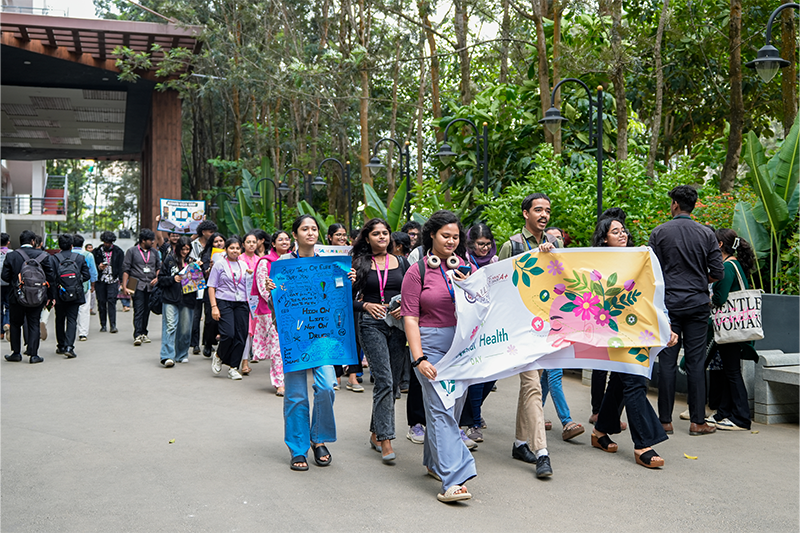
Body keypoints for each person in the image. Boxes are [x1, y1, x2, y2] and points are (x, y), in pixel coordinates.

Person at [401, 210, 477, 503]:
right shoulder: (416, 271)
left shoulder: (466, 269)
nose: (451, 241)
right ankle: (454, 479)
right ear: (431, 235)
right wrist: (419, 359)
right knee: (441, 410)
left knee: (453, 408)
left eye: (456, 237)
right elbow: (409, 317)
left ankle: (434, 463)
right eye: (446, 235)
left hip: (462, 348)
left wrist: (467, 285)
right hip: (430, 347)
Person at [590, 215, 674, 468]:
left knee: (620, 379)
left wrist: (665, 325)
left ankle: (600, 431)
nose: (622, 234)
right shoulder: (595, 264)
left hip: (638, 330)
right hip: (613, 331)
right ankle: (643, 443)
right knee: (634, 381)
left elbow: (652, 295)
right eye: (615, 232)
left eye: (623, 230)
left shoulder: (640, 259)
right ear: (604, 238)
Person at [650, 185, 724, 436]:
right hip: (697, 304)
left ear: (675, 204)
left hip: (669, 305)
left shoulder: (659, 232)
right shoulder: (706, 234)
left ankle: (664, 421)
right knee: (696, 363)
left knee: (667, 362)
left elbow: (652, 272)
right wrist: (699, 281)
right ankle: (697, 421)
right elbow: (718, 272)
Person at [269, 215, 340, 471]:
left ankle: (319, 438)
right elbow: (276, 303)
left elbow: (337, 296)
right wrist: (272, 290)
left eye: (313, 228)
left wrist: (347, 280)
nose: (310, 232)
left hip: (322, 336)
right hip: (295, 336)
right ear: (295, 234)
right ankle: (298, 448)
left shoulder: (331, 263)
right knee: (296, 394)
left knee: (327, 386)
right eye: (304, 229)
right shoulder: (282, 264)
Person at [498, 193, 558, 478]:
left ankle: (520, 443)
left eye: (547, 210)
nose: (543, 215)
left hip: (544, 325)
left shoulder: (554, 245)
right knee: (534, 383)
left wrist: (551, 258)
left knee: (531, 384)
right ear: (525, 214)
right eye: (538, 210)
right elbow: (498, 283)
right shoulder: (512, 244)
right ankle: (542, 453)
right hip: (520, 327)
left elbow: (560, 281)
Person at [351, 218, 409, 463]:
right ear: (367, 238)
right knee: (384, 379)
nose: (382, 237)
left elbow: (412, 293)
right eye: (376, 234)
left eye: (385, 233)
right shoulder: (359, 263)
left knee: (393, 383)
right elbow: (345, 298)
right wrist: (365, 304)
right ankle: (386, 439)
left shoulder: (403, 263)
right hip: (371, 324)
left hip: (398, 325)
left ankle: (375, 432)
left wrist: (404, 307)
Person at [708, 229, 755, 431]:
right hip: (735, 325)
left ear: (719, 245)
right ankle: (724, 413)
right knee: (730, 370)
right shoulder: (735, 264)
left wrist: (708, 298)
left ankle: (742, 418)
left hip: (730, 326)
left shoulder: (727, 266)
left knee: (733, 372)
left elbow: (720, 298)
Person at [458, 223, 499, 443]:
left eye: (487, 244)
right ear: (471, 243)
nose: (484, 248)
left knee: (491, 377)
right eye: (479, 244)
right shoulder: (463, 262)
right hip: (472, 324)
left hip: (492, 322)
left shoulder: (495, 262)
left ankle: (474, 413)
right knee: (475, 376)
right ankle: (473, 422)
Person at [2, 230, 55, 364]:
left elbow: (5, 276)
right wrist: (51, 296)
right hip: (38, 296)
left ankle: (16, 353)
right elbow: (51, 278)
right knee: (33, 323)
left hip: (17, 296)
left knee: (15, 324)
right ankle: (34, 355)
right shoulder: (43, 255)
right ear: (33, 241)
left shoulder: (12, 256)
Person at [208, 236, 250, 380]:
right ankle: (219, 355)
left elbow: (248, 285)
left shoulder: (244, 265)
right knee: (228, 334)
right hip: (224, 301)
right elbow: (211, 286)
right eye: (232, 248)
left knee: (241, 335)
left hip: (241, 302)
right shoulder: (219, 265)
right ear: (226, 249)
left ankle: (233, 367)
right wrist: (214, 306)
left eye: (237, 248)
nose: (235, 251)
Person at [329, 222, 363, 392]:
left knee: (355, 337)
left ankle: (353, 376)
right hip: (330, 302)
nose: (341, 238)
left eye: (344, 235)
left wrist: (356, 277)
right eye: (337, 235)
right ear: (330, 237)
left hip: (352, 300)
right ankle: (336, 375)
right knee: (335, 336)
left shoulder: (354, 254)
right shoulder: (322, 254)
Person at [251, 238, 285, 396]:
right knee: (277, 347)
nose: (284, 241)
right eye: (280, 239)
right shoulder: (265, 262)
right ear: (273, 244)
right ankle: (280, 383)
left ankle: (288, 380)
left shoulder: (294, 260)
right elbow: (262, 287)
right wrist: (276, 302)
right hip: (270, 310)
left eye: (287, 239)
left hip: (292, 309)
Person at [157, 236, 197, 367]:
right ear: (178, 248)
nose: (185, 252)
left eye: (188, 249)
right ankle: (167, 355)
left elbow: (198, 282)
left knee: (185, 328)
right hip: (170, 298)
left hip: (188, 299)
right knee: (170, 326)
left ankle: (182, 354)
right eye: (183, 249)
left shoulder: (193, 262)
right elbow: (161, 279)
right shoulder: (170, 260)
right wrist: (172, 279)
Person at [51, 234, 91, 359]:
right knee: (72, 319)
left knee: (59, 319)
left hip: (59, 294)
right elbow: (87, 275)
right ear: (72, 245)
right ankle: (70, 347)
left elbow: (51, 278)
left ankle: (61, 346)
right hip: (75, 294)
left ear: (59, 245)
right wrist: (75, 283)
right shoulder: (79, 258)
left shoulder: (54, 258)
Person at [122, 228, 162, 346]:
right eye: (151, 240)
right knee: (138, 309)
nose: (153, 242)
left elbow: (158, 267)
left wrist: (157, 277)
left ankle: (144, 332)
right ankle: (137, 334)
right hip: (136, 283)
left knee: (147, 310)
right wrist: (124, 286)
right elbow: (126, 269)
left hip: (151, 284)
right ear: (143, 240)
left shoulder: (154, 252)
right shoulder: (132, 251)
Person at [190, 220, 218, 354]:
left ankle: (207, 341)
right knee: (196, 314)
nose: (212, 235)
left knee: (208, 315)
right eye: (210, 232)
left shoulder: (215, 248)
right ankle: (194, 343)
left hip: (209, 284)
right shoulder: (193, 245)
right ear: (203, 232)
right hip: (195, 281)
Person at [239, 231, 262, 375]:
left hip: (256, 300)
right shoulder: (239, 259)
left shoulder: (260, 260)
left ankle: (251, 356)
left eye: (254, 242)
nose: (252, 244)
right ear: (243, 244)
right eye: (248, 242)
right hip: (241, 299)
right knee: (246, 331)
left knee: (252, 331)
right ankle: (244, 362)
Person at [199, 232, 225, 357]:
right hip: (210, 290)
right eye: (216, 241)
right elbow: (204, 275)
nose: (219, 243)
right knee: (210, 319)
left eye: (221, 240)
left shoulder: (229, 253)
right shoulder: (207, 255)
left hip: (225, 291)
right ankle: (208, 344)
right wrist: (210, 268)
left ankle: (220, 345)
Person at [92, 231, 124, 333]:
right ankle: (103, 325)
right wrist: (99, 267)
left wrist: (122, 282)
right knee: (101, 302)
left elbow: (121, 267)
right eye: (106, 242)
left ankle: (113, 325)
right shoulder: (96, 252)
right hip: (100, 280)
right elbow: (92, 267)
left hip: (113, 280)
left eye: (109, 243)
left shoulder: (119, 252)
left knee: (112, 301)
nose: (107, 244)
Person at [72, 234, 97, 342]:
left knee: (71, 309)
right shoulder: (88, 255)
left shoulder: (67, 254)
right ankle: (83, 333)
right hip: (84, 285)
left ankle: (70, 331)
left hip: (69, 286)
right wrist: (92, 285)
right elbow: (93, 272)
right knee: (84, 309)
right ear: (82, 244)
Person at [0, 232, 10, 340]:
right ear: (8, 243)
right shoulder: (11, 254)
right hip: (8, 284)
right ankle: (7, 323)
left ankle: (0, 333)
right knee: (8, 306)